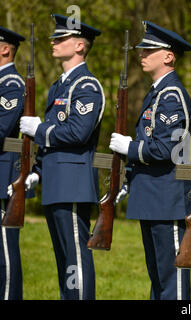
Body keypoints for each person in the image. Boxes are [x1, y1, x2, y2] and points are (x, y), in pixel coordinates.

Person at [19, 14, 104, 300]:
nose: (53, 42)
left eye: (61, 38)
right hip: (56, 182)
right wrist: (38, 171)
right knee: (63, 257)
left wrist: (39, 129)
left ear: (80, 45)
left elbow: (77, 133)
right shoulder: (59, 86)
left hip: (72, 183)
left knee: (75, 255)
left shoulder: (87, 87)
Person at [110, 21, 191, 300]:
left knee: (172, 279)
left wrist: (130, 148)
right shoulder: (158, 92)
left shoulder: (172, 95)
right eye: (142, 50)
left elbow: (166, 149)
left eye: (149, 50)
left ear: (168, 56)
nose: (141, 54)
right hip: (151, 194)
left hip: (166, 197)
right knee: (157, 278)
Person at [0, 26, 26, 300]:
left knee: (4, 256)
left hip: (3, 175)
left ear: (5, 49)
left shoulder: (12, 84)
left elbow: (1, 127)